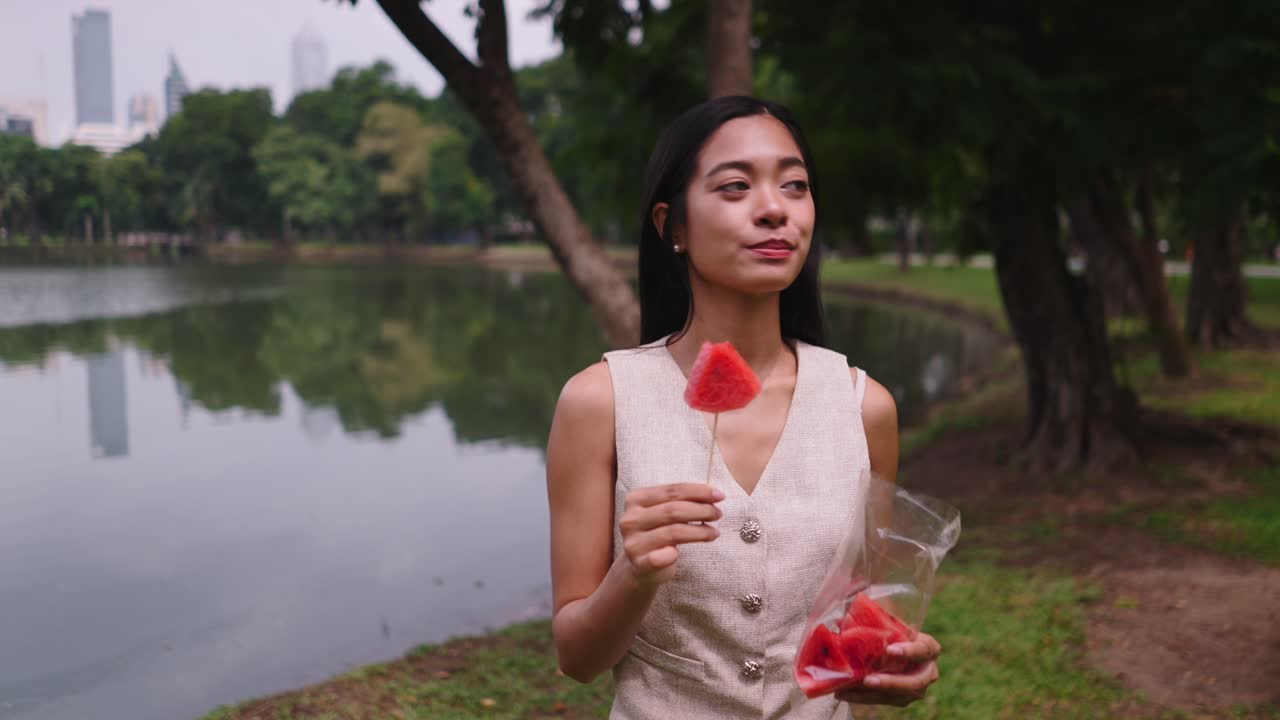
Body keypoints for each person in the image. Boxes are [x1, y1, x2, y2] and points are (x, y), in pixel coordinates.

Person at [545, 96, 942, 719]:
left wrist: (891, 663)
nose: (774, 208)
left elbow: (861, 617)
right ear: (672, 226)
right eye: (735, 187)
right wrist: (633, 575)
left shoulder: (865, 408)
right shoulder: (600, 402)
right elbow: (577, 658)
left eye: (795, 185)